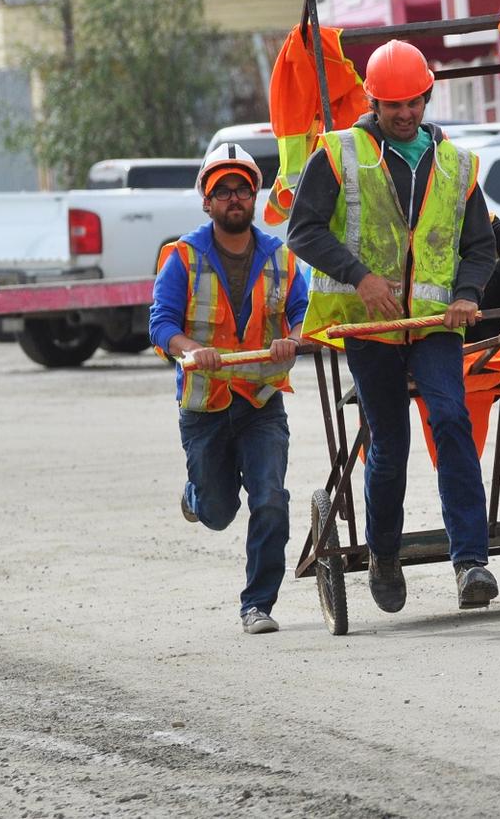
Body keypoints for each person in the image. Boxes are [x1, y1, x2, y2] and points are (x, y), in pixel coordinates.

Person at [288, 39, 500, 614]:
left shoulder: (456, 164)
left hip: (434, 324)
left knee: (452, 420)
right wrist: (359, 277)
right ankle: (383, 555)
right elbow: (303, 231)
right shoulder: (338, 154)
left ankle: (471, 563)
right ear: (372, 102)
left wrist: (466, 294)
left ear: (427, 96)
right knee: (390, 442)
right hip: (370, 327)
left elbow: (480, 247)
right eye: (391, 104)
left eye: (413, 102)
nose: (404, 114)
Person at [151, 144, 307, 635]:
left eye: (241, 189)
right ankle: (198, 498)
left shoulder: (280, 257)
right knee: (218, 513)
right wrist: (190, 349)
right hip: (206, 408)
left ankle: (257, 604)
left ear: (255, 196)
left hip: (261, 404)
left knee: (270, 499)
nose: (233, 198)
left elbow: (305, 313)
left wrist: (294, 341)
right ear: (207, 201)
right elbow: (161, 324)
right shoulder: (182, 256)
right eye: (223, 191)